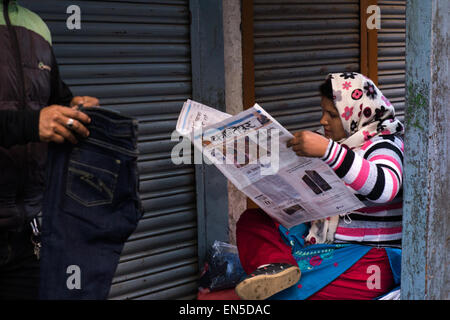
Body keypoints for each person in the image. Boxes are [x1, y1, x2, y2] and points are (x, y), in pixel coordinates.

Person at [235, 72, 404, 300]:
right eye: (323, 112)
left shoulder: (385, 145)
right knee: (253, 220)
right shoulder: (345, 145)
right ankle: (276, 267)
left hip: (368, 257)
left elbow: (386, 187)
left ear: (356, 116)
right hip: (324, 239)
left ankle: (279, 281)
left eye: (332, 115)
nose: (323, 121)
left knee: (283, 296)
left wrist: (328, 151)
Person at [0, 0, 99, 299]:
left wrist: (72, 110)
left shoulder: (36, 26)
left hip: (23, 233)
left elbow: (52, 98)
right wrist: (31, 124)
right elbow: (34, 120)